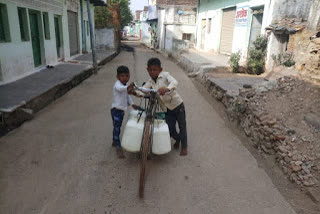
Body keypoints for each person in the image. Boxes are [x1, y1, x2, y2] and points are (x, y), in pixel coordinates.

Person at [130, 58, 188, 156]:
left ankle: (184, 147)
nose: (152, 72)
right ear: (147, 70)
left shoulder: (165, 75)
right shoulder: (150, 82)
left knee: (182, 126)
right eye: (150, 70)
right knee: (171, 128)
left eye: (155, 69)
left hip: (177, 105)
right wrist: (133, 92)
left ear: (160, 70)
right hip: (167, 109)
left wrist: (167, 88)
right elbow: (143, 91)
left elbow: (174, 82)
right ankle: (178, 139)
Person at [111, 66, 139, 159]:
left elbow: (127, 96)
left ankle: (114, 140)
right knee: (117, 128)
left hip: (121, 111)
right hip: (116, 110)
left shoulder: (125, 85)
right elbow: (123, 89)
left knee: (116, 126)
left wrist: (133, 104)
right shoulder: (117, 85)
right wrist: (129, 86)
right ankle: (118, 147)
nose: (125, 78)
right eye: (122, 76)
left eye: (127, 76)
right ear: (117, 77)